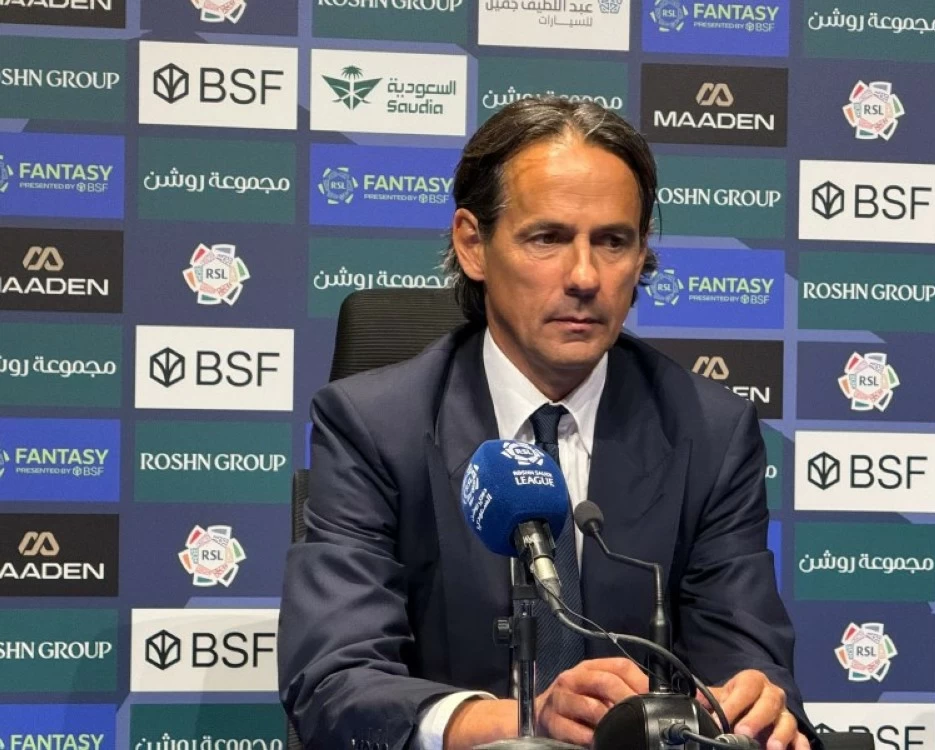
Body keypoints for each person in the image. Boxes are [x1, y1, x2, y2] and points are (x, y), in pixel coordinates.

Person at [278, 98, 815, 750]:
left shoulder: (709, 432)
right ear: (472, 245)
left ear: (641, 254)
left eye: (612, 241)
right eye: (548, 239)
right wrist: (525, 721)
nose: (585, 276)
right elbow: (334, 685)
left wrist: (753, 707)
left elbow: (745, 660)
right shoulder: (373, 428)